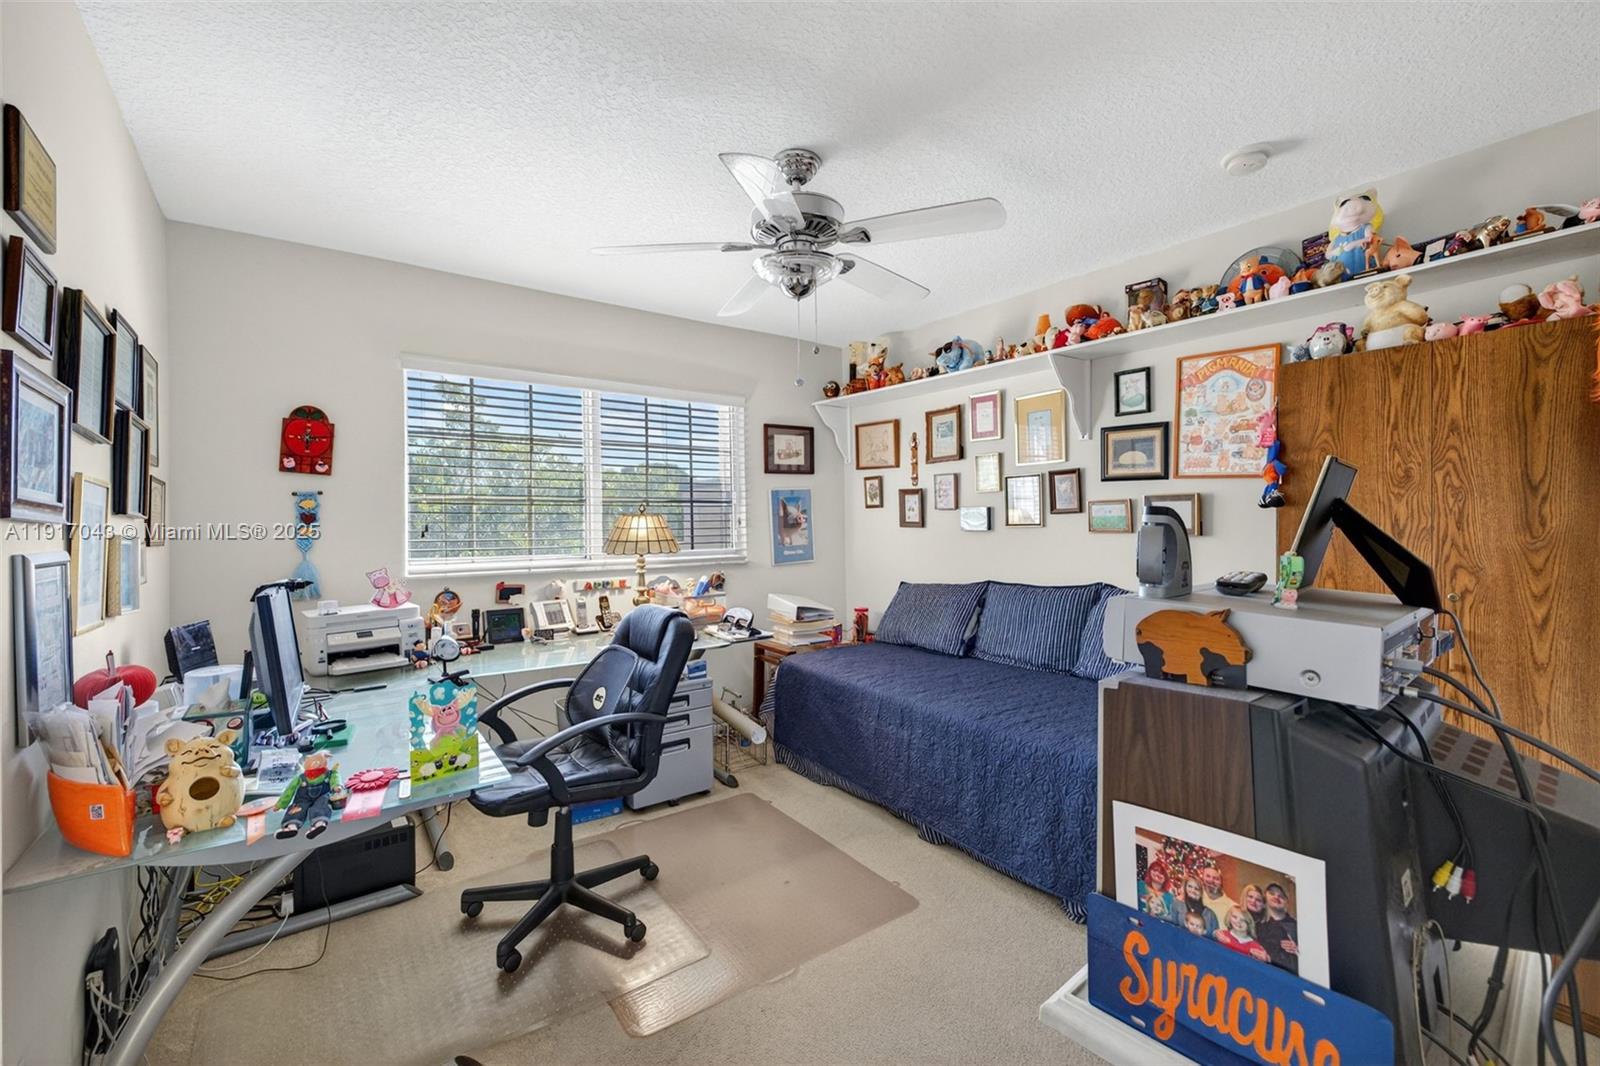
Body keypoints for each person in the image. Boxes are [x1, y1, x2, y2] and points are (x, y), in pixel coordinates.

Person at [1254, 882, 1301, 974]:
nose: (1276, 897)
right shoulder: (1257, 926)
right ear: (1265, 898)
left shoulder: (1297, 926)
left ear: (1286, 901)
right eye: (1272, 893)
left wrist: (1299, 950)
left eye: (1281, 896)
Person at [1198, 862, 1237, 931]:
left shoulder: (1232, 906)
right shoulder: (1195, 896)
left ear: (1221, 882)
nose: (1211, 880)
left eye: (1216, 878)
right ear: (1202, 878)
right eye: (1208, 876)